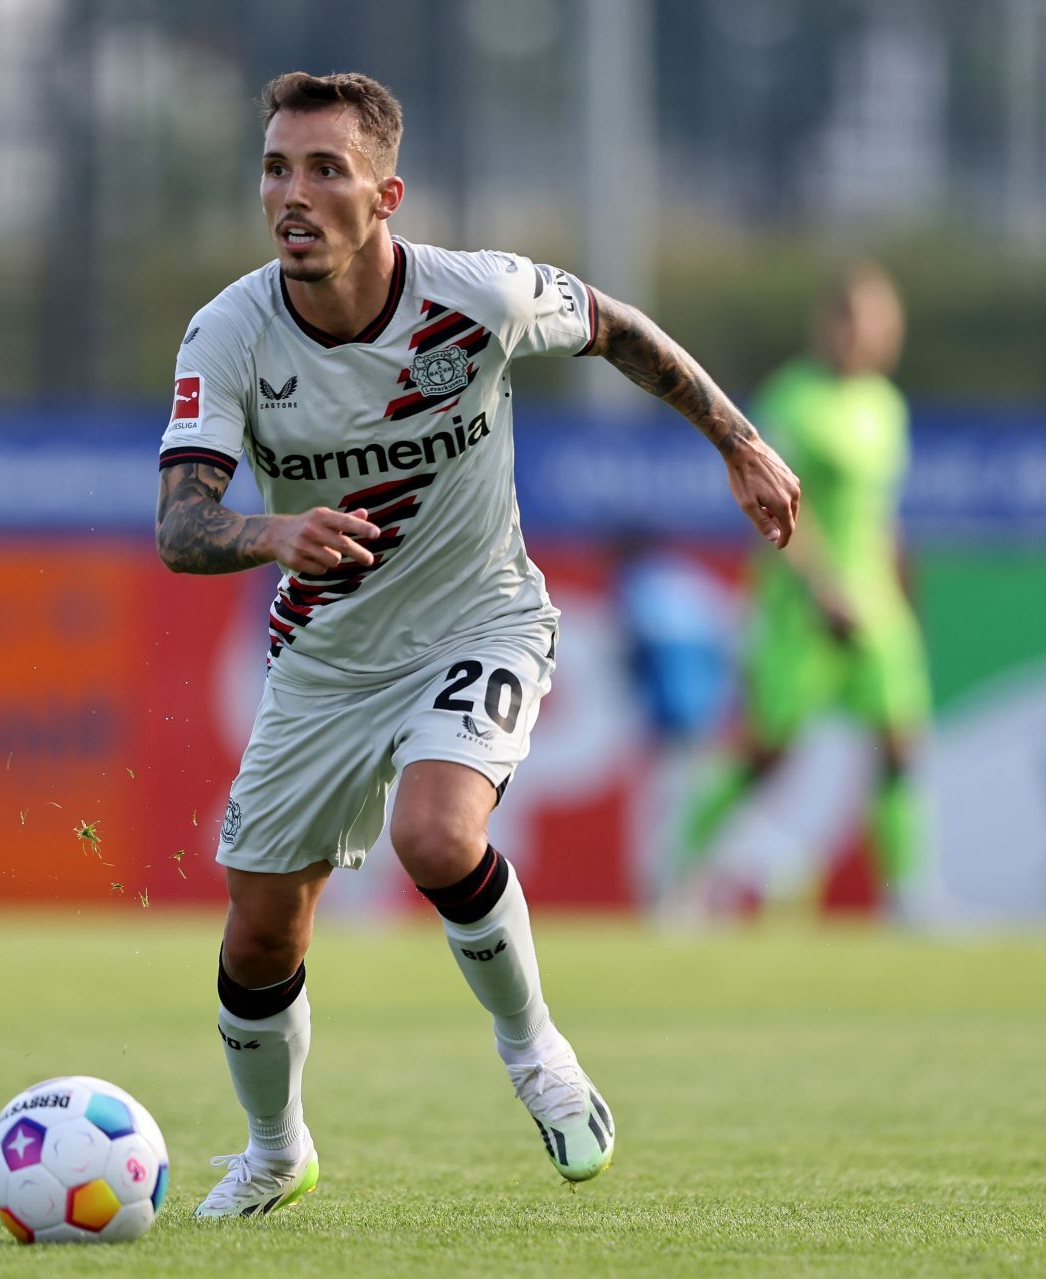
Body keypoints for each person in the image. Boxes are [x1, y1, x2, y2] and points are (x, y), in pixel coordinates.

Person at [156, 71, 799, 1219]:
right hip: (327, 663)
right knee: (260, 932)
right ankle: (273, 1149)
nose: (291, 195)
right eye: (275, 168)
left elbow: (617, 328)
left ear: (386, 194)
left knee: (437, 832)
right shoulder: (230, 332)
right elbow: (182, 526)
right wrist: (271, 529)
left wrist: (738, 445)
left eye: (323, 170)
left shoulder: (480, 296)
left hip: (481, 618)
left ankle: (538, 1053)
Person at [669, 263, 929, 913]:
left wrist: (896, 584)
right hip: (802, 607)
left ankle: (908, 894)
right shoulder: (793, 400)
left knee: (899, 742)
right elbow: (777, 505)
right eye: (861, 321)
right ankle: (680, 879)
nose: (872, 336)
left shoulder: (886, 406)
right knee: (766, 756)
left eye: (883, 324)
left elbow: (878, 513)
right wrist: (820, 585)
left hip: (877, 606)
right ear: (833, 324)